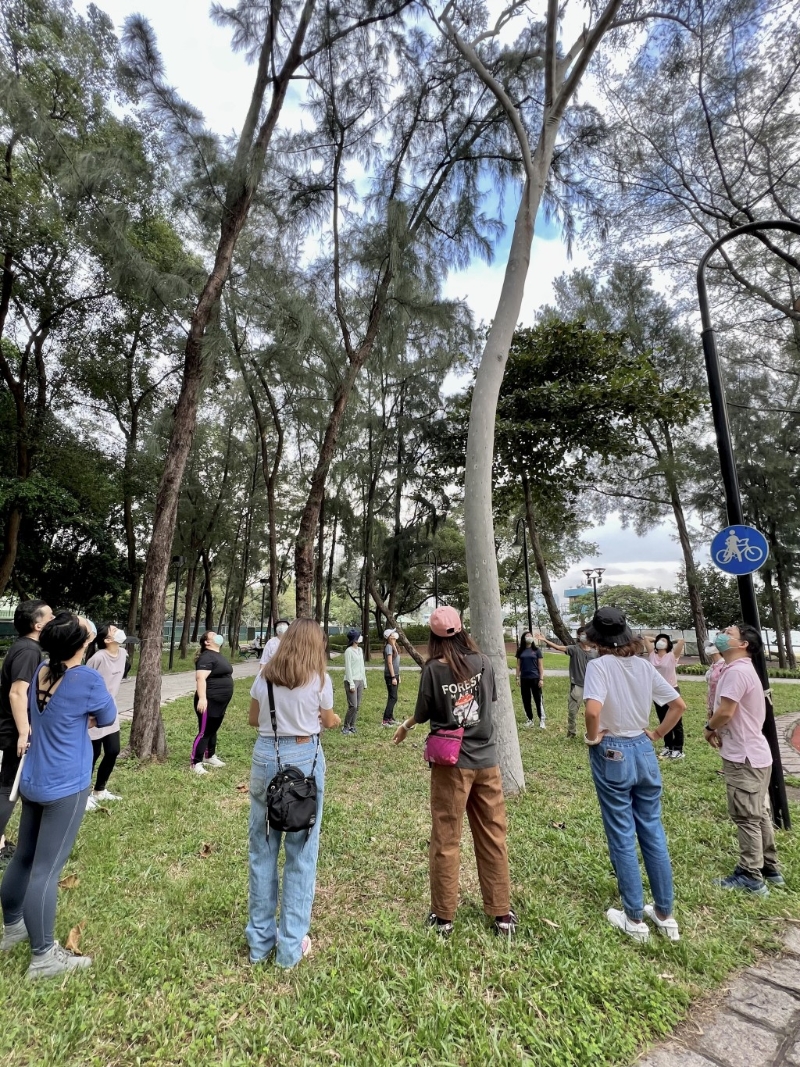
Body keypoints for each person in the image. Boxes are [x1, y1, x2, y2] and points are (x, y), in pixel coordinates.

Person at [0, 612, 116, 979]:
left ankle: (13, 926)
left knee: (24, 857)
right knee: (47, 870)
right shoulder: (86, 678)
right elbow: (109, 715)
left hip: (33, 778)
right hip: (66, 784)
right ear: (83, 643)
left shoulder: (41, 672)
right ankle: (43, 956)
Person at [393, 606, 516, 938]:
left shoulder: (433, 669)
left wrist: (406, 726)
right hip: (486, 761)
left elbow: (423, 710)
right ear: (463, 631)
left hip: (451, 765)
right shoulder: (484, 663)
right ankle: (502, 913)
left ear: (433, 637)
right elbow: (488, 700)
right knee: (493, 836)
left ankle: (444, 916)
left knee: (446, 838)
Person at [583, 607, 686, 943]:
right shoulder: (644, 666)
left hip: (612, 749)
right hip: (643, 749)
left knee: (622, 833)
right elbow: (678, 706)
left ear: (597, 638)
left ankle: (632, 917)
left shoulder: (599, 666)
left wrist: (593, 736)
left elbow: (592, 709)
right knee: (653, 831)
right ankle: (664, 915)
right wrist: (655, 736)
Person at [246, 619, 340, 967]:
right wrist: (327, 719)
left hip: (266, 757)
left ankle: (259, 943)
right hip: (305, 756)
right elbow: (327, 720)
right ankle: (290, 946)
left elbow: (253, 720)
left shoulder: (264, 677)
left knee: (262, 848)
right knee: (301, 851)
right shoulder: (320, 680)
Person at [705, 624, 781, 895]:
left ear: (743, 644)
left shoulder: (737, 671)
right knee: (758, 813)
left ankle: (751, 875)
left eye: (729, 632)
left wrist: (709, 727)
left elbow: (726, 711)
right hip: (756, 754)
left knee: (746, 816)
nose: (722, 634)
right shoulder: (742, 669)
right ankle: (769, 867)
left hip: (744, 757)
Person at [0, 600, 54, 867]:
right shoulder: (29, 651)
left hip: (13, 728)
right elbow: (17, 692)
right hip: (12, 731)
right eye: (50, 615)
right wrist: (24, 732)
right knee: (7, 789)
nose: (54, 618)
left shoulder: (26, 647)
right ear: (38, 624)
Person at [84, 623, 128, 810]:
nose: (118, 630)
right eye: (113, 630)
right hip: (92, 711)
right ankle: (84, 795)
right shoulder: (97, 658)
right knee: (91, 755)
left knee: (112, 750)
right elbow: (85, 684)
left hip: (110, 709)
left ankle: (100, 790)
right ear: (107, 640)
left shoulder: (124, 654)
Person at [536, 626, 596, 737]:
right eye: (582, 634)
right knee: (572, 712)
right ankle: (571, 733)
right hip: (578, 685)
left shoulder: (595, 652)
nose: (585, 636)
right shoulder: (574, 649)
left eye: (587, 634)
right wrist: (545, 640)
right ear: (578, 635)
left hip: (591, 687)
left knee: (591, 713)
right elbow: (559, 647)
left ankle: (591, 733)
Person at [191, 631, 234, 776]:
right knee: (204, 732)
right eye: (213, 635)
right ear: (207, 642)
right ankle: (195, 762)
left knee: (213, 730)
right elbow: (200, 678)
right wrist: (203, 698)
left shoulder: (217, 655)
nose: (217, 636)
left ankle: (209, 756)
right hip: (209, 701)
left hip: (221, 701)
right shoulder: (206, 657)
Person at [642, 633, 686, 760]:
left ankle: (678, 749)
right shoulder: (652, 655)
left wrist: (671, 638)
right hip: (657, 691)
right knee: (663, 719)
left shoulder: (672, 656)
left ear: (668, 644)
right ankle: (668, 746)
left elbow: (682, 641)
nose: (660, 642)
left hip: (672, 689)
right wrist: (658, 638)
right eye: (658, 641)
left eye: (664, 641)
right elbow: (645, 638)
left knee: (676, 720)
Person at [515, 631, 545, 729]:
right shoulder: (520, 651)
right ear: (523, 638)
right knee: (526, 699)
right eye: (527, 636)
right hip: (524, 679)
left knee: (538, 699)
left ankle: (542, 720)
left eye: (530, 636)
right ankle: (529, 719)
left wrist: (541, 679)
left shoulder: (536, 650)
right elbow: (518, 665)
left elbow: (540, 666)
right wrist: (517, 677)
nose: (529, 637)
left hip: (535, 678)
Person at [342, 629, 366, 735]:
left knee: (358, 706)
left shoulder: (360, 650)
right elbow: (348, 669)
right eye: (359, 636)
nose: (361, 637)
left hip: (360, 680)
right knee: (353, 706)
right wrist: (351, 683)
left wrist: (364, 681)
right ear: (354, 639)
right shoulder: (349, 651)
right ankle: (345, 727)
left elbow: (362, 666)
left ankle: (352, 726)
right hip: (351, 680)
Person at [382, 628, 401, 727]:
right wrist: (393, 677)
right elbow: (389, 663)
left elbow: (396, 663)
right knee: (393, 698)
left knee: (392, 697)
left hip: (395, 675)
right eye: (392, 633)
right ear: (389, 637)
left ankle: (390, 718)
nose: (394, 634)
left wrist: (398, 676)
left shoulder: (394, 646)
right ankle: (385, 720)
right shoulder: (389, 647)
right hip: (390, 675)